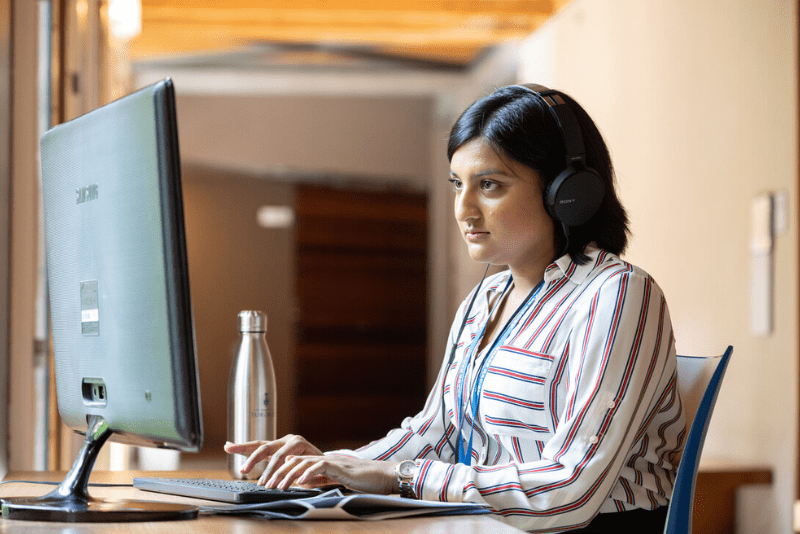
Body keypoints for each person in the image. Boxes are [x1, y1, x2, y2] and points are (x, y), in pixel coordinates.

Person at [225, 84, 683, 533]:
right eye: (457, 184)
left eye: (489, 185)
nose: (464, 209)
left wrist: (401, 477)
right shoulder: (484, 300)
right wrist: (339, 464)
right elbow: (435, 433)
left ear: (566, 193)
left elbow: (570, 490)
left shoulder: (617, 295)